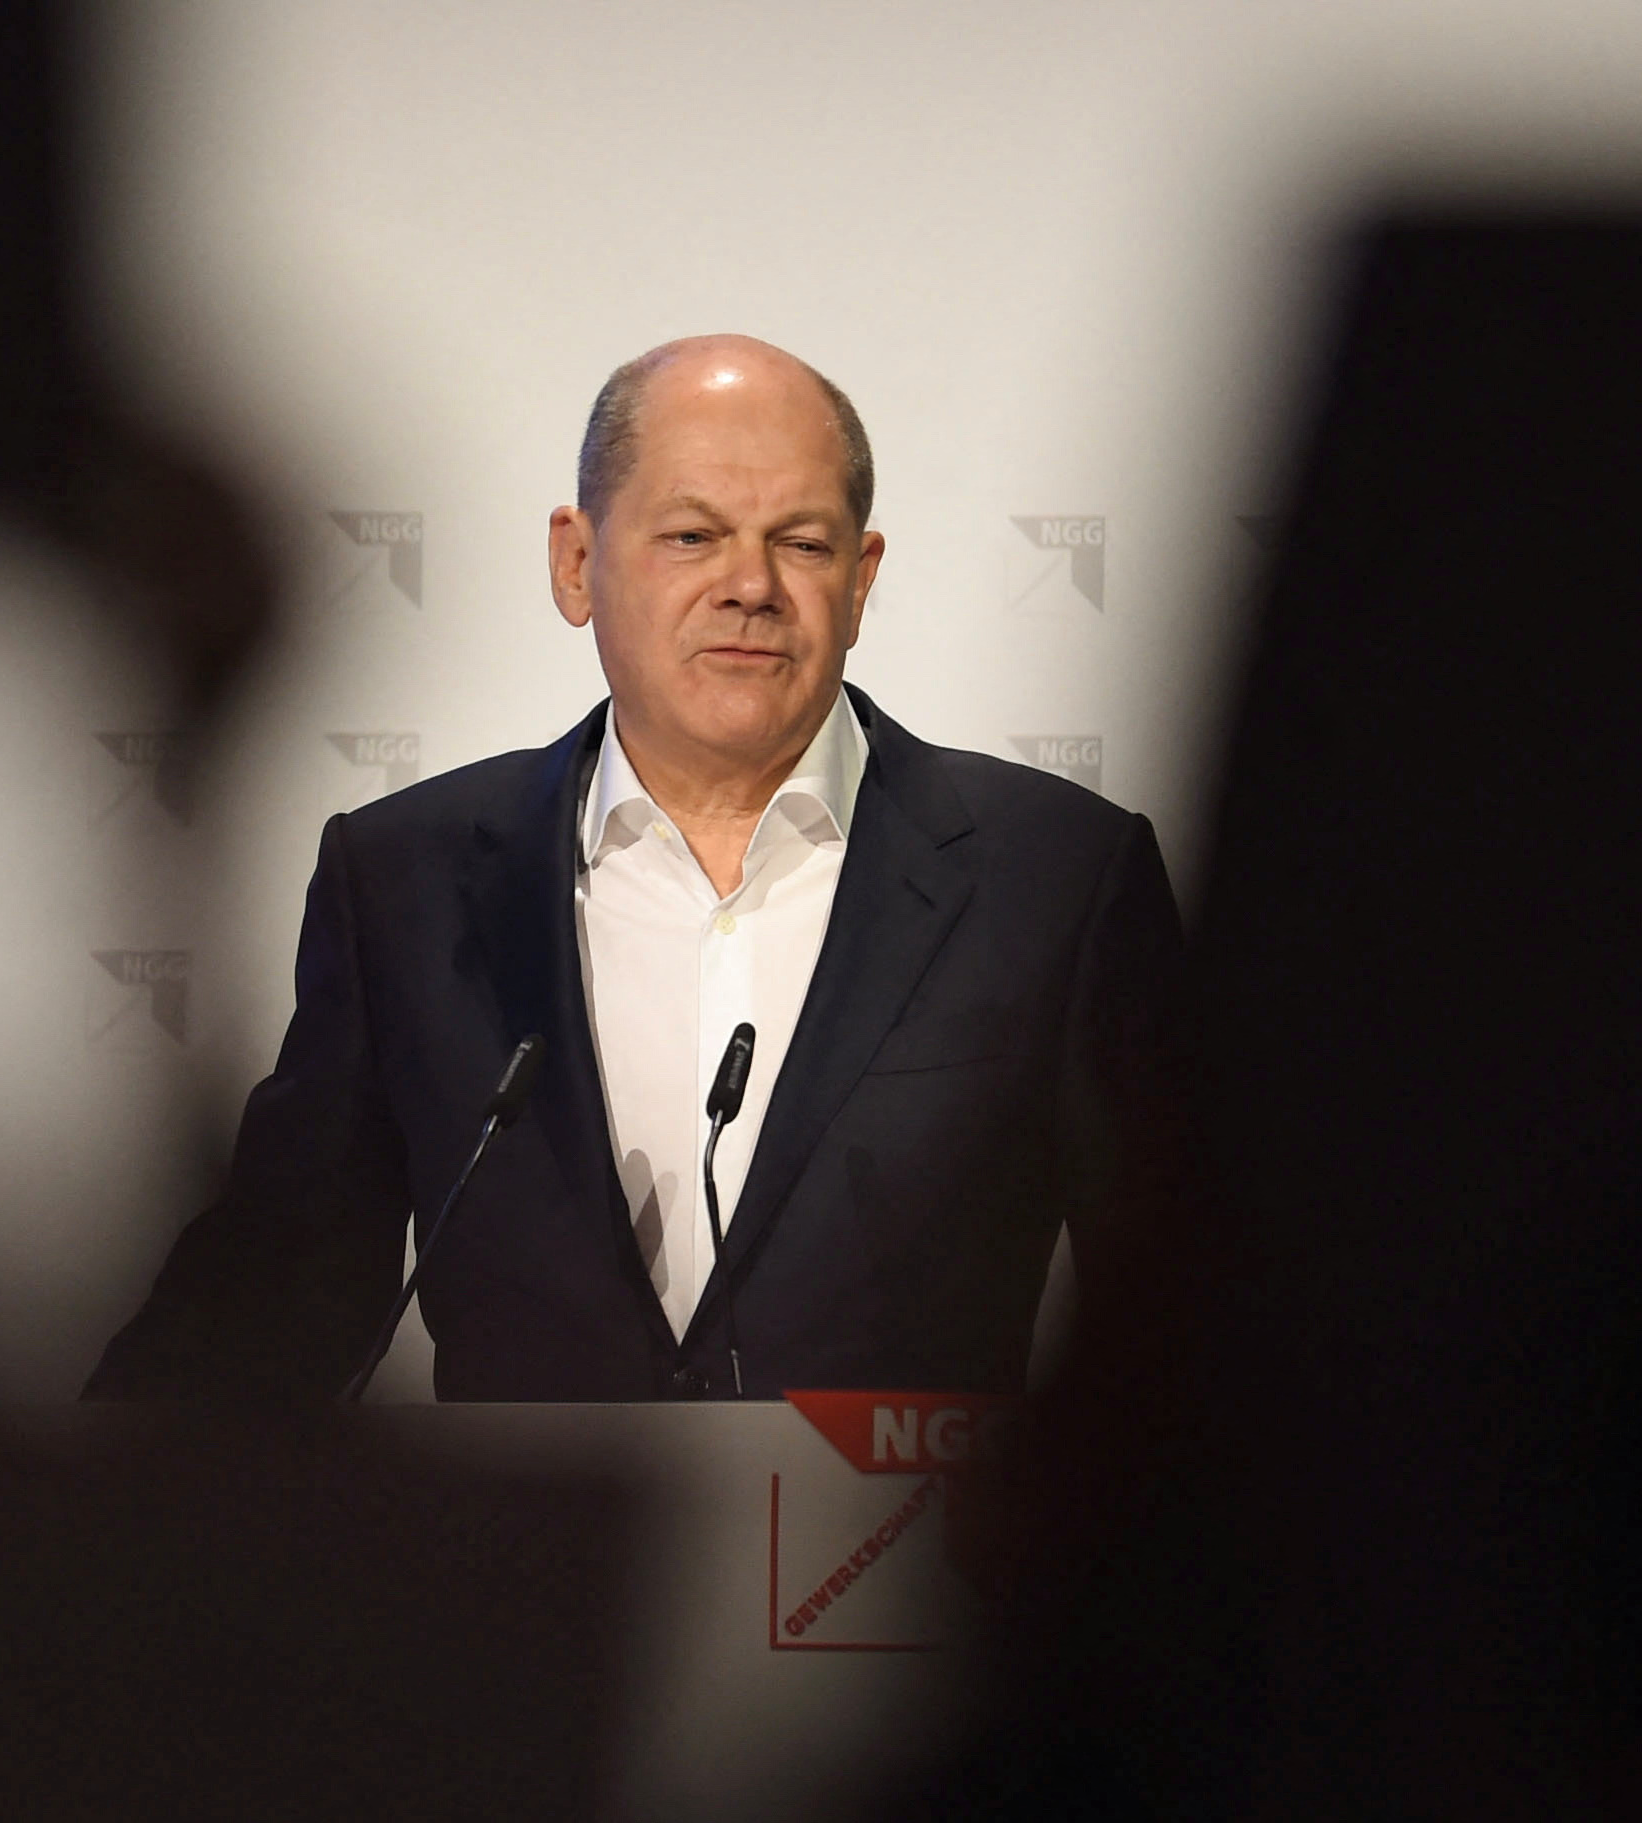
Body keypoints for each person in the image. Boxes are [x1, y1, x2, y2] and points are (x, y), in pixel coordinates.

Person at [87, 336, 1182, 1403]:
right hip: (538, 1531)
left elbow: (1183, 1314)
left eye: (803, 544)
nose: (750, 585)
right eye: (693, 536)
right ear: (575, 564)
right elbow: (269, 1305)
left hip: (895, 1527)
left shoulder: (1057, 877)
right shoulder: (406, 881)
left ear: (861, 581)